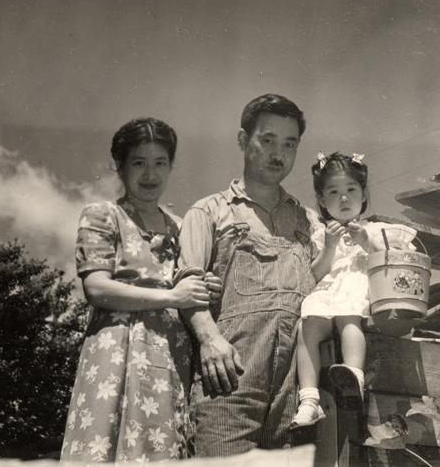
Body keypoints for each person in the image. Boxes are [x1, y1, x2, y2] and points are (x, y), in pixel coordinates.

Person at [60, 118, 221, 463]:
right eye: (139, 163)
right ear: (119, 166)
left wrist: (205, 286)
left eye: (160, 163)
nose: (151, 174)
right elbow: (96, 287)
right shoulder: (105, 215)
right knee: (105, 442)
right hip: (116, 351)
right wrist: (172, 297)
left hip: (169, 359)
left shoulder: (182, 228)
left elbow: (190, 292)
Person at [175, 94, 318, 457]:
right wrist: (209, 340)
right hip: (230, 375)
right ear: (243, 141)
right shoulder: (208, 212)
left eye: (289, 144)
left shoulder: (310, 222)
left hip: (295, 387)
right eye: (267, 140)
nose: (278, 153)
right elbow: (186, 287)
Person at [290, 152, 417, 429]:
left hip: (358, 293)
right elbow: (316, 273)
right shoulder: (322, 235)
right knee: (306, 325)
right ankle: (309, 400)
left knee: (348, 317)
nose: (343, 198)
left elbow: (392, 261)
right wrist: (330, 247)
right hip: (327, 294)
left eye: (351, 190)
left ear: (363, 194)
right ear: (323, 200)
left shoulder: (376, 229)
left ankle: (354, 378)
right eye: (333, 192)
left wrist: (365, 240)